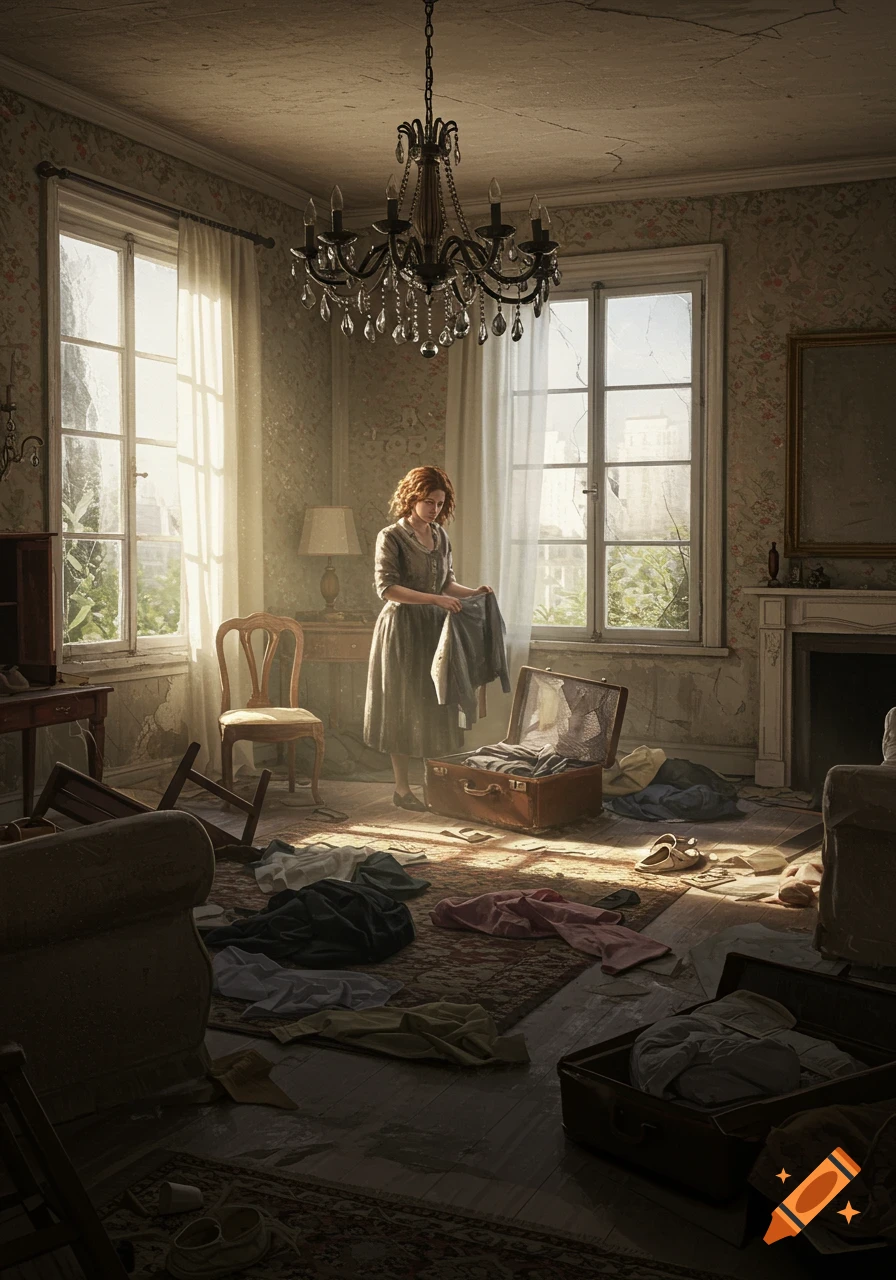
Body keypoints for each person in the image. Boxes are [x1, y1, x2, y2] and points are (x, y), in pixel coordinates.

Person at [364, 465, 492, 810]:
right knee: (403, 706)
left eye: (439, 503)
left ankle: (433, 785)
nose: (434, 509)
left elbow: (446, 583)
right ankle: (402, 789)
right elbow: (387, 588)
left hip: (434, 630)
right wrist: (436, 599)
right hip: (402, 631)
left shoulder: (440, 535)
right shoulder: (390, 536)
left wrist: (473, 592)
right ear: (411, 498)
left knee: (434, 706)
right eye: (429, 502)